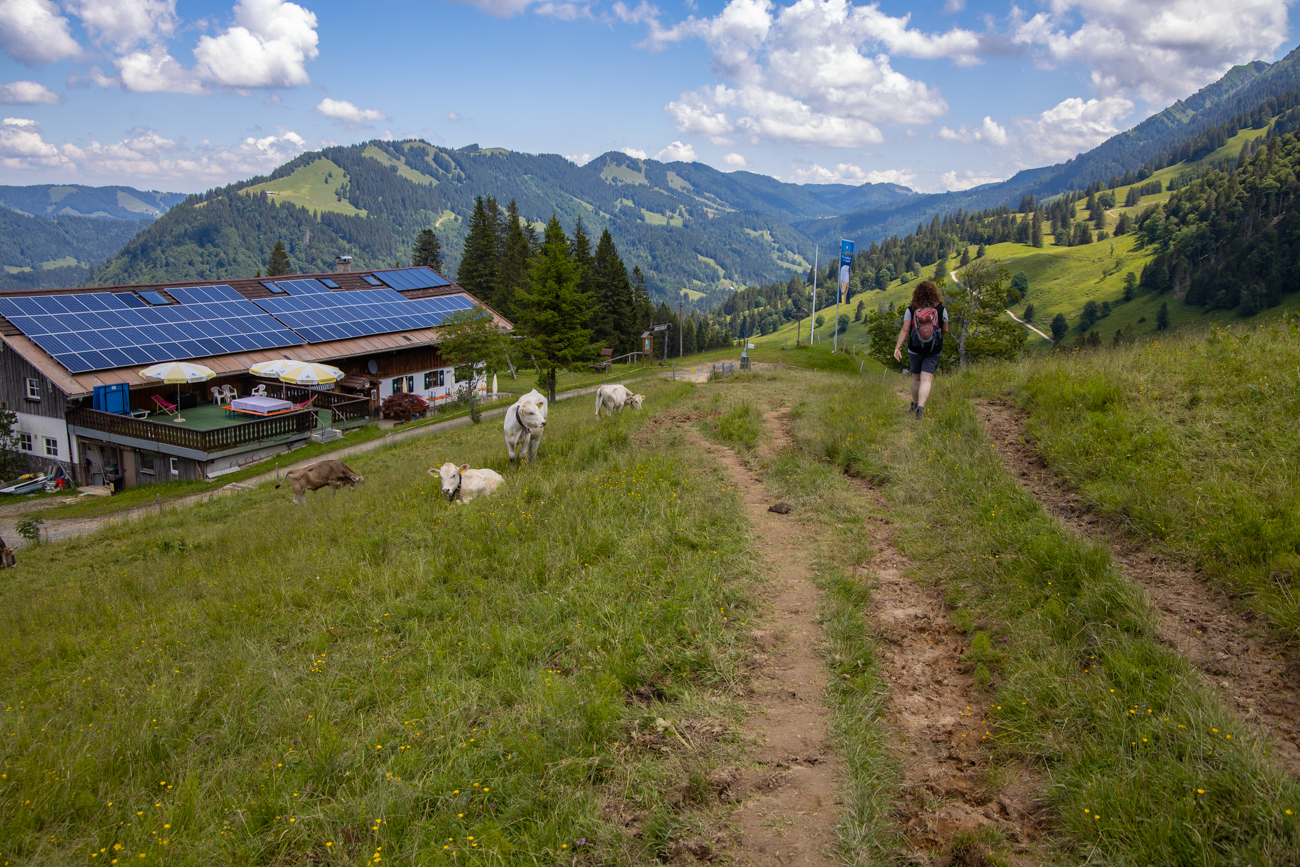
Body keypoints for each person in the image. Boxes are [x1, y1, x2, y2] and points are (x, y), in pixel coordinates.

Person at [893, 280, 949, 419]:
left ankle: (914, 403)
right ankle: (921, 409)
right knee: (926, 380)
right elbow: (945, 330)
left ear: (916, 294)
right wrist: (937, 339)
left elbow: (905, 329)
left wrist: (898, 347)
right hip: (933, 349)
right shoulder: (941, 309)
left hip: (915, 348)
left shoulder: (911, 309)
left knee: (916, 378)